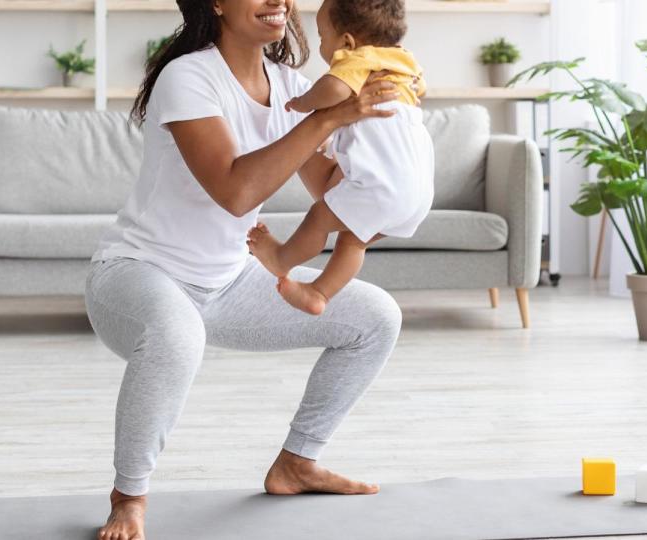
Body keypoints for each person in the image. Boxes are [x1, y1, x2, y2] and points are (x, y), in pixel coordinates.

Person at [84, 1, 405, 539]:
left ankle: (296, 463)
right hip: (139, 274)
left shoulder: (290, 85)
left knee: (375, 316)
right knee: (176, 331)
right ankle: (128, 496)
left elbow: (326, 184)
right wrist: (327, 117)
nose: (277, 0)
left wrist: (389, 188)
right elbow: (235, 192)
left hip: (230, 282)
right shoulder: (187, 77)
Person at [247, 0, 434, 316]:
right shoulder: (403, 62)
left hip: (382, 188)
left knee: (318, 218)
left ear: (346, 41)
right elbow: (421, 91)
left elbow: (333, 88)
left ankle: (281, 259)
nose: (321, 44)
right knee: (353, 240)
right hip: (416, 193)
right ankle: (319, 292)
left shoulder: (360, 57)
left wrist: (305, 102)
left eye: (322, 36)